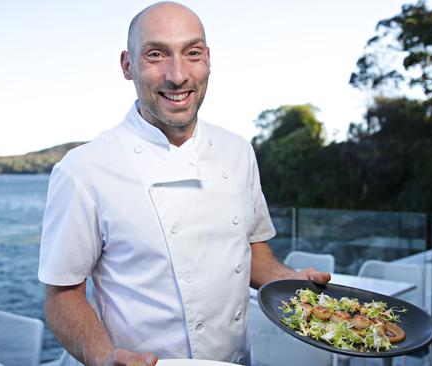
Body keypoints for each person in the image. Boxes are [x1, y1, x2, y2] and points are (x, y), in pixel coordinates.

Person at [38, 2, 331, 366]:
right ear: (127, 66)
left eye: (192, 53)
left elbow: (252, 253)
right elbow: (62, 293)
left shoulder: (237, 151)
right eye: (157, 55)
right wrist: (103, 356)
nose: (177, 76)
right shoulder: (84, 170)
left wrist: (290, 280)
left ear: (207, 59)